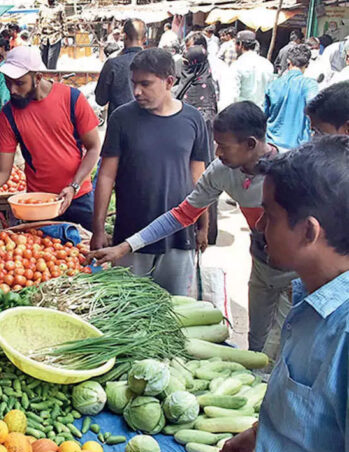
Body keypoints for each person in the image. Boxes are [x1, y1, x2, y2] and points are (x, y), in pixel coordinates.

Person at [91, 101, 295, 358]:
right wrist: (125, 246)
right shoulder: (222, 171)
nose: (217, 151)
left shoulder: (292, 172)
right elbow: (180, 215)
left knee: (286, 343)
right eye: (216, 143)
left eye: (224, 145)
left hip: (296, 271)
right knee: (257, 340)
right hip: (262, 263)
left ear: (250, 144)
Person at [216, 135, 349, 452]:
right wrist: (257, 439)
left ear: (309, 231)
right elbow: (306, 436)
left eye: (269, 216)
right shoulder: (310, 301)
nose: (258, 227)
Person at [90, 48, 210, 295]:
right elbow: (106, 176)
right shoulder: (122, 118)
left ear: (169, 82)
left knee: (176, 307)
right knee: (129, 309)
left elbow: (200, 179)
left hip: (179, 237)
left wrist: (204, 226)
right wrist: (99, 228)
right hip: (129, 238)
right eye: (134, 83)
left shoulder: (193, 119)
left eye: (145, 84)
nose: (136, 91)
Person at [0, 46, 102, 230]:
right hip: (37, 203)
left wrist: (74, 186)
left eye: (20, 83)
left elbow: (94, 147)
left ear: (38, 78)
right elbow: (1, 172)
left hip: (78, 199)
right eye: (8, 82)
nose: (12, 90)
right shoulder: (8, 115)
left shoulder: (72, 99)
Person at [262, 44, 318, 150]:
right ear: (307, 65)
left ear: (289, 62)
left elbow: (264, 115)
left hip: (271, 145)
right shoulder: (310, 85)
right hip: (298, 148)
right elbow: (315, 109)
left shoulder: (274, 84)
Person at [95, 19, 146, 121]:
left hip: (118, 125)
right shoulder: (154, 63)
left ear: (125, 37)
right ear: (144, 39)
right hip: (146, 126)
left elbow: (100, 99)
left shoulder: (113, 64)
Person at [231, 30, 274, 109]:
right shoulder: (267, 64)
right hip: (261, 113)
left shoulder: (237, 65)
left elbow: (233, 95)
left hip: (242, 114)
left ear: (240, 45)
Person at [36, 0, 65, 69]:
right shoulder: (42, 7)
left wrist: (65, 36)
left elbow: (64, 22)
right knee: (43, 61)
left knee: (51, 62)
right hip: (44, 38)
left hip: (55, 37)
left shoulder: (60, 7)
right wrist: (38, 34)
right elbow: (39, 21)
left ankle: (51, 78)